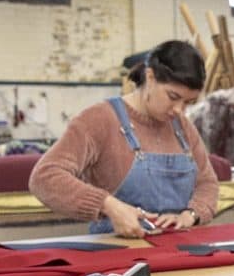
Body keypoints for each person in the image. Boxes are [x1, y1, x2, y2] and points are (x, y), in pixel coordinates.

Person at [30, 40, 219, 238]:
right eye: (173, 97)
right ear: (150, 77)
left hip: (178, 249)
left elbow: (207, 184)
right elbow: (45, 177)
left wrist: (191, 215)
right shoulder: (100, 120)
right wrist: (107, 205)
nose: (179, 110)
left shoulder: (183, 127)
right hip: (117, 255)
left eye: (188, 102)